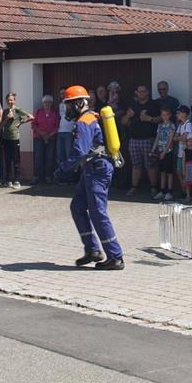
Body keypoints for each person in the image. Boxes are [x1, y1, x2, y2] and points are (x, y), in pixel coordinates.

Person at [55, 86, 124, 270]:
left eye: (69, 105)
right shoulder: (89, 117)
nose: (67, 109)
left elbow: (80, 151)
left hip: (97, 169)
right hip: (91, 169)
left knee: (97, 212)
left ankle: (115, 257)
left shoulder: (84, 122)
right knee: (77, 206)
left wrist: (63, 169)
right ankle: (92, 250)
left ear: (79, 103)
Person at [122, 84, 160, 197]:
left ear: (147, 92)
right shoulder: (133, 105)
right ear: (137, 93)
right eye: (139, 92)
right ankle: (134, 188)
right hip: (134, 139)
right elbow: (123, 121)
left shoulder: (154, 104)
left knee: (151, 165)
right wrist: (128, 116)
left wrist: (150, 119)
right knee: (136, 165)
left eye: (144, 91)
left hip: (149, 139)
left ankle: (154, 188)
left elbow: (162, 118)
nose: (141, 93)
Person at [0, 92, 31, 189]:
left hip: (14, 138)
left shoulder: (17, 110)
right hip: (6, 138)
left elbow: (31, 117)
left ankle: (17, 180)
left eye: (11, 100)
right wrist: (7, 118)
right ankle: (8, 180)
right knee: (7, 160)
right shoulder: (5, 111)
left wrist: (20, 123)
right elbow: (0, 126)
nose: (10, 102)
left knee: (16, 160)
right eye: (8, 100)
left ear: (14, 100)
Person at [31, 95, 59, 184]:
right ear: (42, 103)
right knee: (38, 157)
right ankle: (36, 176)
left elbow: (57, 126)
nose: (47, 104)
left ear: (51, 103)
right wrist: (42, 133)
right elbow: (33, 125)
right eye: (45, 102)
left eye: (49, 102)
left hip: (51, 138)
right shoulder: (38, 112)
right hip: (39, 138)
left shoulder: (55, 113)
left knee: (49, 158)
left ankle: (48, 176)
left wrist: (49, 135)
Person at [175, 105, 192, 201]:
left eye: (179, 113)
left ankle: (189, 193)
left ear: (184, 113)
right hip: (180, 152)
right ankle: (185, 191)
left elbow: (185, 138)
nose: (177, 115)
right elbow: (176, 138)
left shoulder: (188, 124)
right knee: (179, 172)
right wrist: (179, 137)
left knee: (187, 174)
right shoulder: (180, 125)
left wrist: (180, 137)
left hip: (187, 153)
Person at [152, 105, 177, 201]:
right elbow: (157, 138)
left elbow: (170, 140)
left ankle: (169, 191)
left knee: (169, 172)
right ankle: (162, 190)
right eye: (163, 115)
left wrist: (165, 152)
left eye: (167, 115)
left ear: (170, 115)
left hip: (168, 151)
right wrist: (153, 149)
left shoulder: (171, 125)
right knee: (162, 171)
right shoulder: (160, 125)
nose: (165, 116)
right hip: (160, 150)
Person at [56, 96, 75, 184]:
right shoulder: (61, 105)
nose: (63, 95)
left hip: (69, 132)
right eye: (61, 94)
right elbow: (62, 116)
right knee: (60, 155)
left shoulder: (74, 106)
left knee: (69, 155)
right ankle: (62, 177)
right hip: (60, 131)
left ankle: (70, 177)